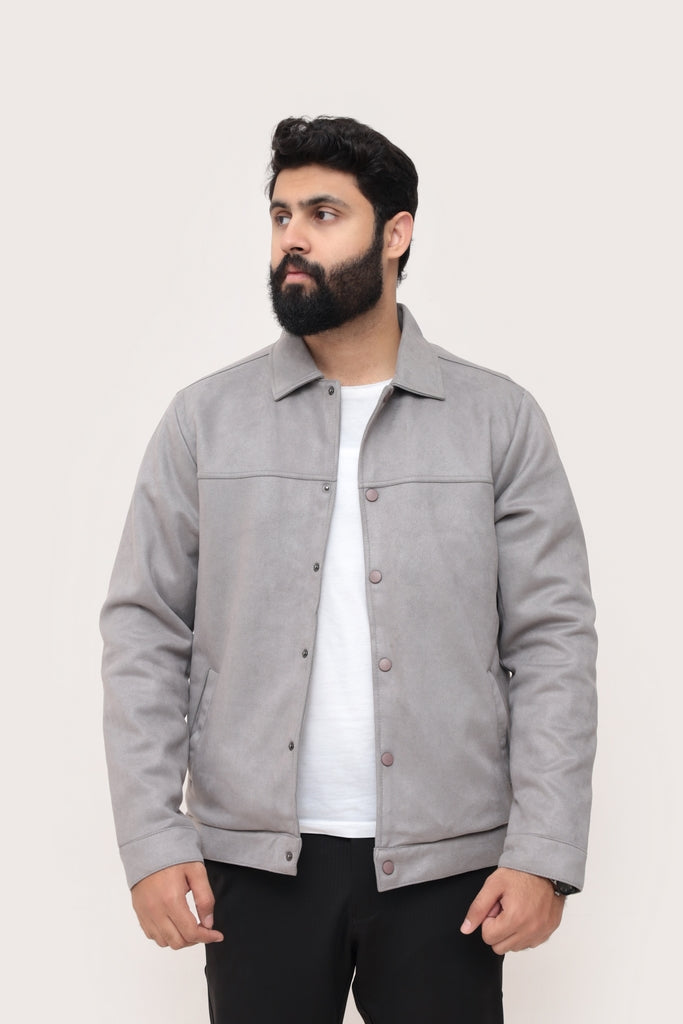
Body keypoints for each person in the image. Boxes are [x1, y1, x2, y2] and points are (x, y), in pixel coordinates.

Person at [101, 116, 597, 1024]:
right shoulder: (205, 420)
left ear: (395, 233)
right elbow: (143, 630)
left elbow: (551, 641)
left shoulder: (496, 420)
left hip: (450, 866)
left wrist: (542, 851)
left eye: (323, 214)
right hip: (253, 866)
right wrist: (151, 836)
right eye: (280, 214)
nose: (292, 237)